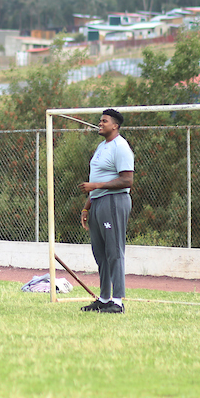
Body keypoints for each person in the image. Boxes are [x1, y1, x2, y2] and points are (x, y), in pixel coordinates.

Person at [77, 108, 134, 313]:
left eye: (104, 121)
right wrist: (87, 207)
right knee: (100, 253)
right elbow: (96, 179)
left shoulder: (121, 147)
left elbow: (127, 180)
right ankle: (103, 298)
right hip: (98, 203)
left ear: (115, 126)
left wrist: (96, 187)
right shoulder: (102, 146)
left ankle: (117, 302)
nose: (100, 124)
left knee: (114, 252)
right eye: (100, 121)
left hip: (114, 201)